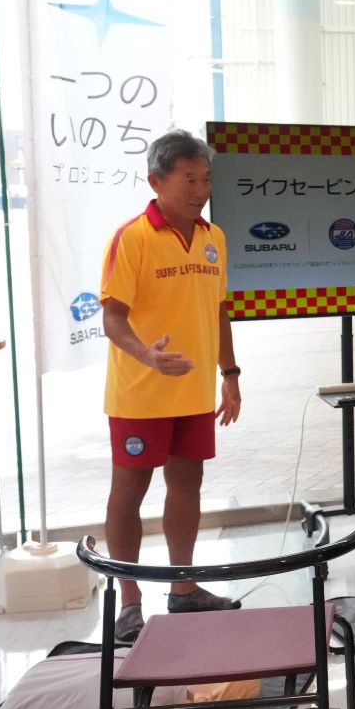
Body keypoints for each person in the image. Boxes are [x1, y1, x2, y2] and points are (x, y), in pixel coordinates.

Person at [100, 130, 243, 644]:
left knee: (187, 485)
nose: (200, 190)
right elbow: (112, 317)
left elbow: (219, 311)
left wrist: (230, 375)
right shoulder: (132, 237)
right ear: (156, 181)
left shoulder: (213, 237)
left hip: (194, 393)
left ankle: (183, 588)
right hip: (140, 394)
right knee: (129, 492)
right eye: (188, 180)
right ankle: (128, 602)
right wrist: (147, 356)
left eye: (205, 179)